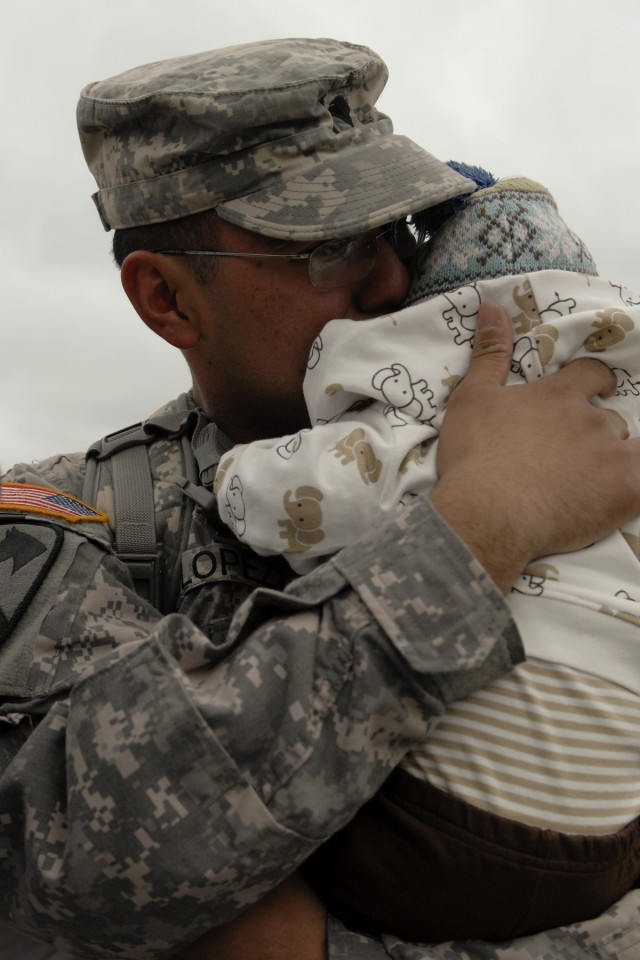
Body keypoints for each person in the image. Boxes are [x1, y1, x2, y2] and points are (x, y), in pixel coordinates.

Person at [1, 37, 639, 960]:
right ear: (167, 298)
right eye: (326, 246)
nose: (387, 281)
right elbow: (60, 861)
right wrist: (482, 527)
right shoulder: (66, 526)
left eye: (399, 230)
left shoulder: (560, 430)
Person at [212, 168, 640, 941]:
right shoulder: (620, 449)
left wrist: (236, 471)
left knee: (219, 880)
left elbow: (304, 496)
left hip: (433, 831)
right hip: (612, 834)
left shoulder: (427, 433)